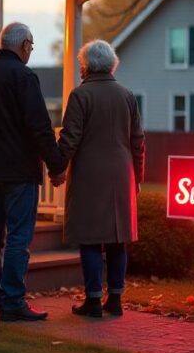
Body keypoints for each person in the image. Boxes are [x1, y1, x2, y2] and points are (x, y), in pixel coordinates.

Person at [0, 22, 67, 322]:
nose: (31, 52)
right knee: (18, 238)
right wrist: (57, 165)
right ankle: (12, 302)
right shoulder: (24, 76)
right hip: (18, 172)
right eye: (31, 46)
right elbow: (39, 126)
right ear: (23, 45)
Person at [56, 40, 145, 318]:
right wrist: (138, 178)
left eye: (81, 64)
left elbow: (69, 139)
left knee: (91, 239)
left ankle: (93, 300)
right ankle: (115, 299)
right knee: (118, 239)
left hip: (89, 175)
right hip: (122, 175)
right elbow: (138, 141)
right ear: (111, 64)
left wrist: (57, 167)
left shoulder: (81, 96)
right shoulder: (127, 95)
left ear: (86, 66)